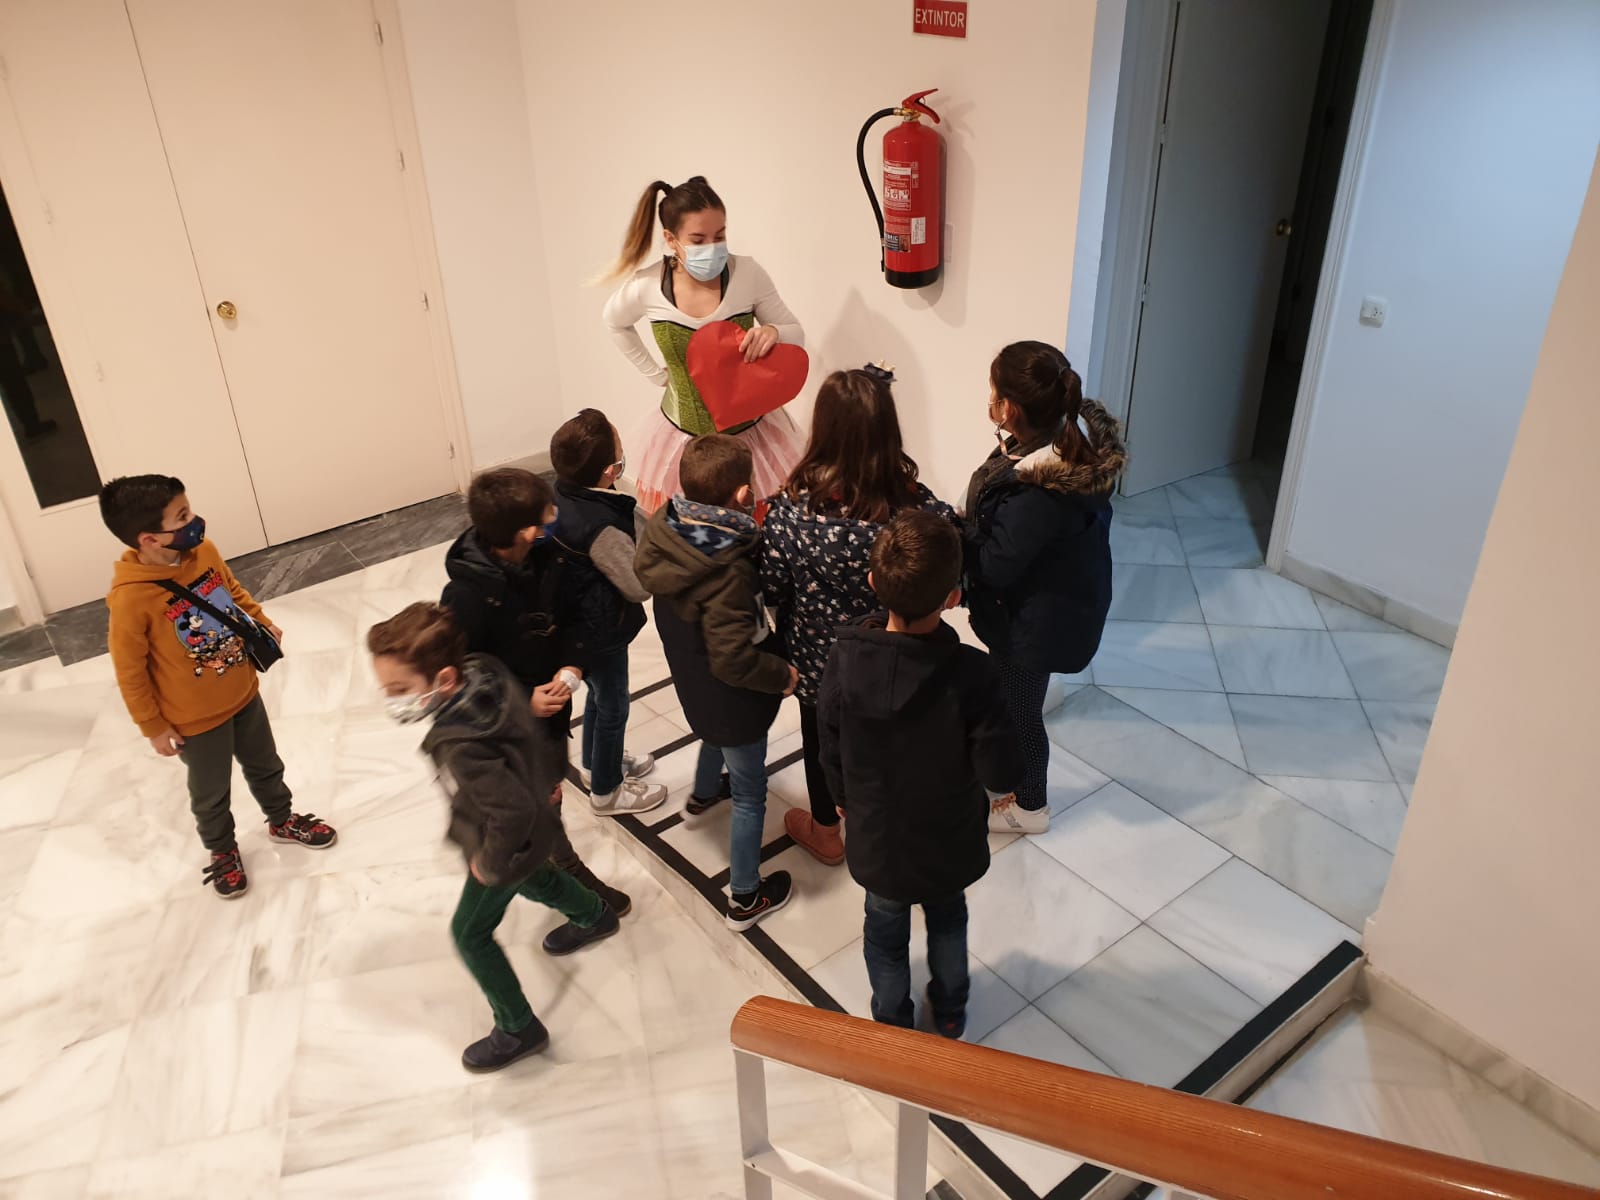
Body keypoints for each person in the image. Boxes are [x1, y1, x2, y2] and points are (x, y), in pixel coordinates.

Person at [367, 602, 619, 1073]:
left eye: (399, 689)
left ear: (444, 679)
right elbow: (527, 732)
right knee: (537, 876)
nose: (392, 699)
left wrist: (489, 863)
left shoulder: (463, 744)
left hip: (505, 840)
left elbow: (510, 812)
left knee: (470, 934)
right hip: (536, 821)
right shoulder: (484, 670)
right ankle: (594, 915)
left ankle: (517, 1027)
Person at [818, 510, 1019, 1038]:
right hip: (947, 839)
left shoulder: (845, 658)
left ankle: (891, 1021)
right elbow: (999, 767)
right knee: (948, 919)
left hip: (878, 838)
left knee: (884, 933)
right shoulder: (973, 673)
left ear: (872, 582)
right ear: (953, 597)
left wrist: (841, 795)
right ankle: (950, 1009)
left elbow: (829, 742)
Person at [440, 467, 645, 956]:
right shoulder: (465, 598)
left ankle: (561, 865)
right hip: (506, 733)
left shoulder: (546, 556)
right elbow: (460, 678)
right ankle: (568, 877)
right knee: (528, 816)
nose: (556, 516)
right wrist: (522, 699)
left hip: (548, 720)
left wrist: (573, 665)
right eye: (546, 513)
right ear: (523, 531)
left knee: (548, 794)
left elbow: (575, 617)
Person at [101, 474, 335, 899]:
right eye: (182, 517)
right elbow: (130, 671)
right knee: (211, 792)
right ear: (150, 540)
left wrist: (260, 621)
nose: (194, 521)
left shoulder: (204, 551)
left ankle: (282, 819)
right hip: (193, 718)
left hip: (242, 689)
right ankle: (222, 849)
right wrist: (153, 726)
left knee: (266, 764)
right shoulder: (131, 599)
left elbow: (232, 591)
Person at [760, 364, 955, 866]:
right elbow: (948, 547)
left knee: (820, 742)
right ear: (888, 429)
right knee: (895, 739)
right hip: (897, 659)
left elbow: (772, 586)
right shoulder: (913, 509)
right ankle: (895, 819)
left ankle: (827, 831)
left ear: (822, 430)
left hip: (819, 663)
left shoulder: (791, 509)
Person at [634, 434, 798, 930]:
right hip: (731, 698)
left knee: (712, 733)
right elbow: (733, 660)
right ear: (744, 495)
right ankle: (745, 897)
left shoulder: (666, 531)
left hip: (694, 680)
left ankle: (704, 793)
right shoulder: (728, 568)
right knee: (750, 792)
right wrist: (782, 674)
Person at [963, 342, 1126, 836]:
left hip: (1035, 627)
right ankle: (1003, 779)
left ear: (1009, 408)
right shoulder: (1056, 445)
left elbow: (996, 564)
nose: (990, 399)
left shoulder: (1039, 491)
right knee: (1011, 702)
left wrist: (955, 537)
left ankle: (1030, 806)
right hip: (1040, 610)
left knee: (1020, 715)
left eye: (994, 391)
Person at [602, 177, 805, 515]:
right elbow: (614, 321)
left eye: (720, 236)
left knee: (755, 526)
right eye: (698, 240)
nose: (712, 247)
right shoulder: (647, 285)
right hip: (681, 437)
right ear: (671, 239)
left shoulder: (747, 274)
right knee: (688, 530)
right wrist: (655, 374)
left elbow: (795, 332)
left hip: (752, 434)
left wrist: (773, 332)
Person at [548, 409, 663, 809]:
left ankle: (595, 763)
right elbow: (637, 587)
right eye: (618, 445)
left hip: (575, 622)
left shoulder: (561, 492)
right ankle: (607, 790)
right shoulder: (602, 526)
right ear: (610, 471)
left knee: (598, 696)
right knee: (614, 705)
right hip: (601, 630)